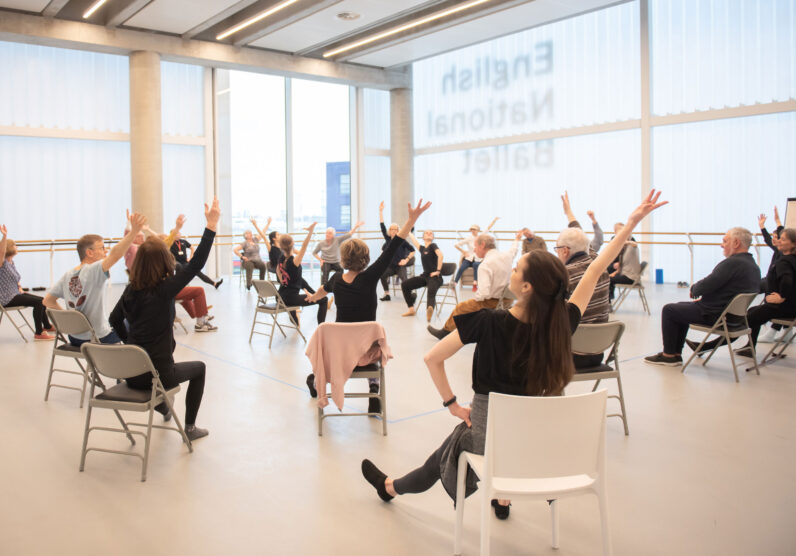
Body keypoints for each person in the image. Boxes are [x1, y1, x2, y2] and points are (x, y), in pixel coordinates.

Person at [361, 191, 668, 519]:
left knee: (453, 444)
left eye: (517, 268)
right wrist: (632, 224)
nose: (513, 268)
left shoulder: (488, 322)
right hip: (539, 443)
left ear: (526, 288)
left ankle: (391, 486)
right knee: (472, 437)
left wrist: (452, 404)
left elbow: (432, 358)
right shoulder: (562, 321)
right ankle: (502, 498)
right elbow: (596, 270)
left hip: (490, 441)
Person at [109, 199, 222, 441]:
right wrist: (211, 225)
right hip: (158, 374)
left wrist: (130, 344)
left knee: (166, 376)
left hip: (132, 372)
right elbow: (196, 264)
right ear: (164, 262)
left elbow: (113, 319)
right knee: (199, 369)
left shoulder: (131, 290)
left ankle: (162, 405)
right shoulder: (163, 290)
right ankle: (189, 429)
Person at [305, 200, 433, 412]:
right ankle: (374, 387)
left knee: (330, 350)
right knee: (372, 340)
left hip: (341, 353)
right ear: (366, 259)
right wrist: (411, 220)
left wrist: (312, 297)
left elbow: (322, 290)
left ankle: (315, 379)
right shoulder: (371, 276)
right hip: (366, 352)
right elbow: (393, 247)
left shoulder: (336, 278)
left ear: (343, 258)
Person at [644, 227, 760, 366]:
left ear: (736, 243)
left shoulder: (733, 263)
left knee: (669, 310)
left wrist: (694, 289)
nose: (721, 245)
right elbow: (729, 291)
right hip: (735, 318)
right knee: (680, 307)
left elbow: (706, 285)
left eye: (724, 241)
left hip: (716, 315)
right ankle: (676, 354)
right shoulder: (753, 266)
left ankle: (669, 355)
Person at [43, 212, 147, 346]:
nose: (106, 252)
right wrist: (133, 233)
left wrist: (70, 321)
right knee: (138, 322)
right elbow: (115, 254)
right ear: (89, 253)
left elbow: (48, 301)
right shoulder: (93, 270)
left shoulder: (68, 274)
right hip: (99, 337)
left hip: (75, 338)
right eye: (102, 248)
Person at [427, 230, 522, 339]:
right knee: (469, 306)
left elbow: (483, 294)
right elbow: (513, 250)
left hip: (492, 303)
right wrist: (517, 239)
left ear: (482, 245)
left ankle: (444, 332)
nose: (474, 249)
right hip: (508, 301)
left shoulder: (485, 265)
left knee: (461, 307)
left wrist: (475, 299)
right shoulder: (507, 256)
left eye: (475, 246)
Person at [553, 227, 610, 369]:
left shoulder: (564, 275)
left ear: (565, 250)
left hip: (569, 354)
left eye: (557, 249)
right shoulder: (601, 270)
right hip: (597, 351)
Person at [0, 226, 54, 340]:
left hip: (15, 294)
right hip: (6, 298)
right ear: (9, 248)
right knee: (39, 303)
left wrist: (19, 287)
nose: (17, 247)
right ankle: (39, 333)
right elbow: (1, 251)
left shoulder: (11, 262)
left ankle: (47, 326)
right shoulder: (2, 262)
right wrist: (4, 236)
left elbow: (14, 279)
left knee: (42, 300)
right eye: (15, 245)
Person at [276, 224, 328, 326]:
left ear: (281, 246)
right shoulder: (294, 261)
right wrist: (310, 232)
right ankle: (321, 328)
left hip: (280, 296)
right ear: (293, 244)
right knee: (324, 300)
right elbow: (304, 246)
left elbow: (278, 271)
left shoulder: (281, 258)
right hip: (290, 299)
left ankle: (296, 321)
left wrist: (283, 280)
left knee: (300, 280)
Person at [400, 231, 444, 322]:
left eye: (431, 233)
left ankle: (429, 310)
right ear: (423, 237)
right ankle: (411, 309)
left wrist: (438, 271)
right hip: (425, 276)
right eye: (426, 233)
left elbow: (441, 255)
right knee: (405, 285)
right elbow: (413, 239)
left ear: (433, 237)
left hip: (435, 277)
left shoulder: (433, 245)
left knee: (431, 290)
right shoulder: (422, 249)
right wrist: (408, 231)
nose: (429, 233)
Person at [377, 201, 415, 301]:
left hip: (400, 266)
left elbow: (413, 251)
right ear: (390, 231)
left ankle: (410, 296)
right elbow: (382, 226)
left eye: (395, 229)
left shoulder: (402, 241)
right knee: (381, 275)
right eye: (392, 229)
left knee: (405, 281)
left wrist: (406, 260)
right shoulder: (388, 240)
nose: (393, 231)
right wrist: (381, 211)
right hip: (391, 267)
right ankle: (387, 294)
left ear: (398, 231)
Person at [452, 217, 500, 291]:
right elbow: (456, 245)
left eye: (474, 229)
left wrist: (494, 220)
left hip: (478, 259)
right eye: (472, 229)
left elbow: (488, 228)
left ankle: (475, 284)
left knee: (476, 265)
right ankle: (454, 283)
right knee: (461, 268)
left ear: (478, 230)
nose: (473, 231)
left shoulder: (481, 237)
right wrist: (463, 252)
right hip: (469, 258)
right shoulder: (468, 238)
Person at [607, 222, 640, 301]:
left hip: (630, 277)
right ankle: (608, 301)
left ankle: (608, 302)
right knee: (607, 276)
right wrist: (614, 273)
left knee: (608, 280)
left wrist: (625, 241)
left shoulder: (631, 245)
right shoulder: (625, 248)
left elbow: (635, 244)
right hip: (624, 273)